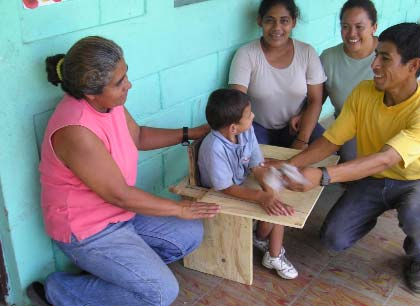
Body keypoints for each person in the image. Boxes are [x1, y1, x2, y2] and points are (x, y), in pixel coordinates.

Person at [27, 36, 220, 306]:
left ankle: (114, 273)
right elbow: (119, 194)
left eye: (125, 74)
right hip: (88, 230)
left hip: (120, 215)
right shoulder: (76, 130)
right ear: (90, 92)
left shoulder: (109, 102)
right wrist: (179, 208)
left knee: (189, 234)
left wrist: (193, 133)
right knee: (162, 293)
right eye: (120, 83)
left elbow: (138, 136)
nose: (128, 84)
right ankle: (60, 291)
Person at [284, 23, 420, 293]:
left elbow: (385, 159)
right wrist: (290, 164)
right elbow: (331, 140)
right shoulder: (363, 92)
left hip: (413, 181)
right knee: (334, 239)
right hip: (372, 179)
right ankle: (370, 211)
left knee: (415, 214)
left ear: (413, 65)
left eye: (385, 58)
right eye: (376, 55)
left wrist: (322, 176)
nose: (375, 65)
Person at [198, 88, 298, 279]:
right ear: (233, 128)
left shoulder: (246, 131)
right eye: (248, 115)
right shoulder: (214, 148)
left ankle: (264, 244)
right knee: (270, 202)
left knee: (275, 196)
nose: (253, 116)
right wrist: (261, 196)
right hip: (219, 193)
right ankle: (274, 254)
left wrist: (269, 190)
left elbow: (257, 165)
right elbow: (226, 188)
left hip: (239, 184)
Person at [229, 0, 327, 150]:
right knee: (251, 159)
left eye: (284, 21)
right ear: (259, 21)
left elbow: (315, 101)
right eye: (270, 20)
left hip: (296, 125)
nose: (277, 28)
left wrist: (302, 140)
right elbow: (237, 102)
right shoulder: (246, 54)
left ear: (293, 22)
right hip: (257, 126)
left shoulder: (306, 52)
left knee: (326, 148)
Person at [320, 0, 378, 162]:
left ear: (374, 27)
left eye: (359, 27)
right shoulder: (328, 57)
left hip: (385, 125)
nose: (352, 33)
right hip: (348, 127)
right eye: (345, 26)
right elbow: (316, 99)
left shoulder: (387, 56)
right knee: (350, 160)